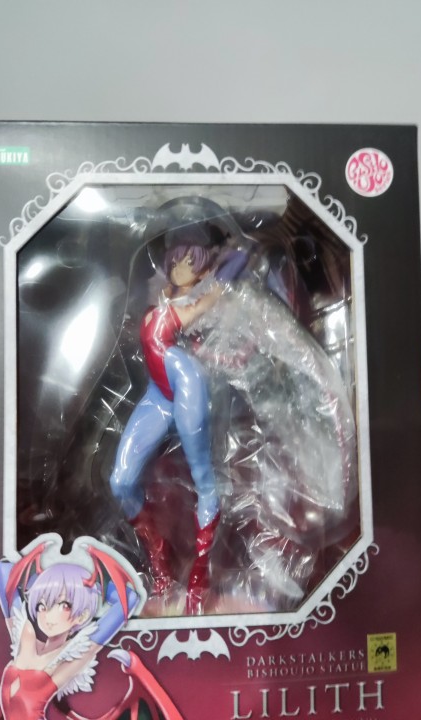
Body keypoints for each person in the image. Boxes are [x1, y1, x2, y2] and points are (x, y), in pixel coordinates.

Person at [109, 225, 248, 615]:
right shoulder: (159, 298)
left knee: (203, 477)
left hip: (187, 384)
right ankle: (160, 557)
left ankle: (199, 576)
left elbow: (237, 263)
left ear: (201, 269)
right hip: (158, 392)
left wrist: (226, 252)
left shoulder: (191, 305)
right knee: (120, 481)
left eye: (191, 261)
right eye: (177, 260)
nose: (180, 267)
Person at [0, 534, 182, 720]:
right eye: (42, 605)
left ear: (82, 615)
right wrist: (46, 580)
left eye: (63, 605)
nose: (48, 615)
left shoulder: (67, 660)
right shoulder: (24, 634)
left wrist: (93, 589)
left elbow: (128, 601)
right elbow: (3, 571)